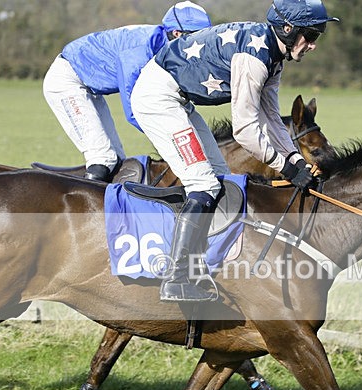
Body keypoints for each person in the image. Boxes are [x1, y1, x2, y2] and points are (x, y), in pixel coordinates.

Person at [131, 0, 339, 302]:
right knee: (203, 184)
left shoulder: (273, 57)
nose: (312, 46)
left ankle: (199, 263)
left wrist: (295, 159)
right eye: (311, 36)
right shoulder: (255, 58)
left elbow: (271, 117)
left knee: (220, 179)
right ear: (288, 29)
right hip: (158, 98)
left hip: (177, 98)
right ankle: (176, 278)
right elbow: (244, 129)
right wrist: (287, 168)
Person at [42, 2, 212, 181]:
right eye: (198, 37)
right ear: (177, 33)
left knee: (117, 161)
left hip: (88, 84)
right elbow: (135, 110)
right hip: (67, 80)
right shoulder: (139, 51)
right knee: (103, 158)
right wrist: (172, 138)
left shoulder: (164, 44)